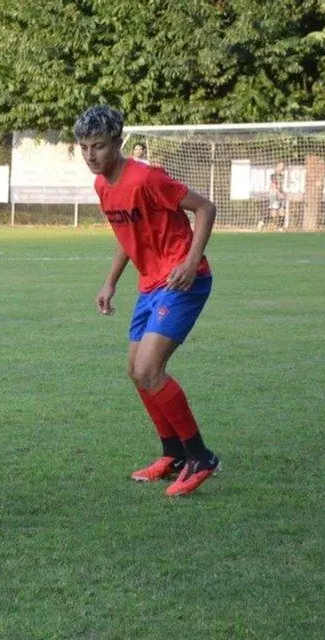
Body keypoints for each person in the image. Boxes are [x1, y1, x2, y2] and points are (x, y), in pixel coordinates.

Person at [74, 104, 220, 497]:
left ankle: (200, 457)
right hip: (150, 285)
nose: (90, 155)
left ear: (117, 142)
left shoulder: (146, 178)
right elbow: (128, 234)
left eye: (98, 146)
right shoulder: (102, 186)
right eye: (84, 147)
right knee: (136, 372)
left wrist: (191, 260)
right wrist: (110, 283)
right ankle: (173, 454)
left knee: (150, 369)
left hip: (182, 280)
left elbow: (205, 208)